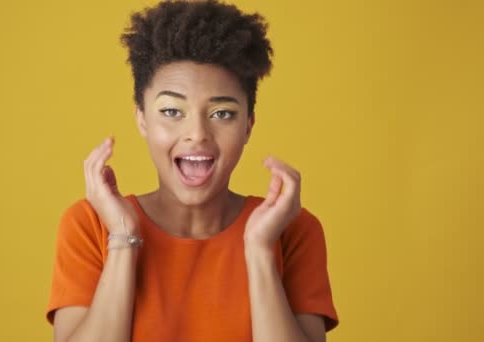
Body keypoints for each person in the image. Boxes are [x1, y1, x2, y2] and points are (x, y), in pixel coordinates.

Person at [45, 1, 339, 341]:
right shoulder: (89, 226)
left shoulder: (292, 229)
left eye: (222, 114)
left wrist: (259, 250)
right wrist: (122, 237)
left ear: (248, 126)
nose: (197, 133)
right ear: (141, 118)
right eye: (172, 111)